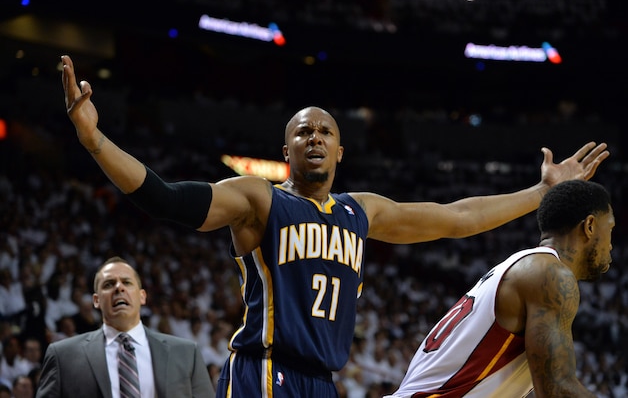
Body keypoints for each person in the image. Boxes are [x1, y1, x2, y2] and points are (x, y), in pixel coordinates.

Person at [59, 54, 609, 397]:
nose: (315, 137)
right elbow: (166, 199)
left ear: (341, 150)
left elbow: (457, 218)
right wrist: (94, 140)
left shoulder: (361, 211)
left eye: (324, 131)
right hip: (264, 372)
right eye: (303, 132)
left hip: (323, 382)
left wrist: (541, 193)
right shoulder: (259, 199)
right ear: (287, 149)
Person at [386, 179, 614, 398]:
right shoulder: (549, 274)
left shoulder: (522, 267)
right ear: (590, 226)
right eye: (610, 229)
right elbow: (557, 390)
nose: (611, 245)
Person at [36, 257, 214, 398]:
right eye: (108, 284)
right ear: (96, 301)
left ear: (142, 296)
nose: (118, 288)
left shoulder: (186, 353)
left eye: (127, 283)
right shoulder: (63, 356)